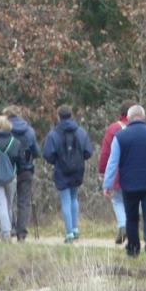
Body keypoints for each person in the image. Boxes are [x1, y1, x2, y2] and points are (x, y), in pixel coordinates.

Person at [103, 103, 146, 259]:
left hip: (129, 183)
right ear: (143, 116)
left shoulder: (120, 137)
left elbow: (113, 162)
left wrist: (108, 184)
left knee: (131, 216)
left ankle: (133, 248)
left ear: (128, 118)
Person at [42, 104, 94, 242]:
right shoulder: (81, 132)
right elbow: (88, 151)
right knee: (74, 197)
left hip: (61, 170)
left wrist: (57, 162)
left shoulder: (53, 134)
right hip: (78, 169)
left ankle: (69, 232)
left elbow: (47, 154)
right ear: (71, 115)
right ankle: (75, 229)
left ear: (58, 117)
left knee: (65, 199)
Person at [98, 103, 133, 245]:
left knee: (117, 200)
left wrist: (102, 171)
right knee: (133, 201)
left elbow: (106, 152)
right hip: (135, 172)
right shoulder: (142, 127)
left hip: (118, 172)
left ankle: (123, 225)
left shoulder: (113, 129)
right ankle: (131, 228)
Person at [6, 105, 40, 241]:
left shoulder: (5, 130)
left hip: (8, 169)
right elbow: (36, 151)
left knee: (8, 201)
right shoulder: (29, 131)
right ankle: (22, 233)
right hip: (26, 169)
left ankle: (11, 226)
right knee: (24, 202)